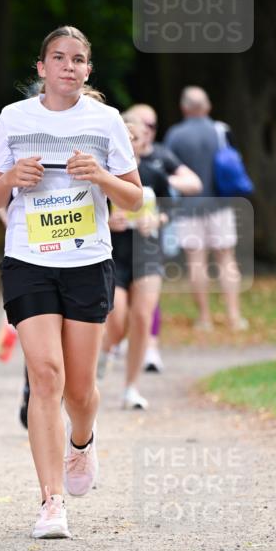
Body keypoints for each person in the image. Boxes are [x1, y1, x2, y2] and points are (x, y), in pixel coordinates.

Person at [0, 26, 142, 540]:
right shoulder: (14, 118)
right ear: (41, 68)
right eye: (58, 57)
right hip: (28, 258)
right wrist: (10, 181)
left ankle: (83, 439)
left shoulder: (106, 121)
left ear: (87, 70)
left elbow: (135, 199)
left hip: (87, 259)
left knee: (79, 388)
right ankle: (51, 502)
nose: (68, 66)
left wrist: (100, 177)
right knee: (45, 376)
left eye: (78, 59)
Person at [101, 115, 173, 410]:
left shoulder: (154, 173)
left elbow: (170, 209)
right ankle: (105, 354)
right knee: (116, 321)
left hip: (147, 252)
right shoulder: (104, 173)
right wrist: (107, 220)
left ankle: (131, 388)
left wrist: (155, 219)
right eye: (130, 138)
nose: (135, 142)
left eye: (139, 137)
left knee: (142, 317)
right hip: (113, 254)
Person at [124, 103, 202, 373]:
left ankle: (151, 347)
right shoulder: (112, 162)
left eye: (151, 125)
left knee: (148, 297)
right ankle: (120, 340)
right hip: (116, 245)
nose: (146, 131)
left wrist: (160, 186)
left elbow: (193, 183)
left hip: (150, 239)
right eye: (141, 125)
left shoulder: (160, 158)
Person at [164, 87, 248, 332]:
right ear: (207, 107)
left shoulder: (175, 135)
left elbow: (169, 170)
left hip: (188, 207)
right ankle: (234, 317)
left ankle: (204, 319)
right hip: (220, 204)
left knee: (196, 262)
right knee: (226, 259)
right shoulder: (220, 130)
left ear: (185, 108)